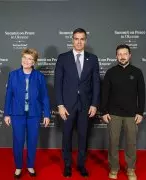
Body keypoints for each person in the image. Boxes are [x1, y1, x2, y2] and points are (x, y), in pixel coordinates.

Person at [54, 28, 100, 177]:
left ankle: (81, 164)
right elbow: (58, 83)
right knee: (66, 135)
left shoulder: (92, 59)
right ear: (72, 40)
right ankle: (67, 165)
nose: (79, 42)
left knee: (83, 136)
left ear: (85, 41)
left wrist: (94, 104)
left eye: (82, 39)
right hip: (67, 106)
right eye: (76, 38)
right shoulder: (63, 58)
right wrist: (60, 105)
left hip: (85, 105)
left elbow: (96, 83)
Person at [3, 48, 50, 179]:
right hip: (17, 114)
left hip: (34, 114)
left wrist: (46, 114)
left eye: (30, 59)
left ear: (34, 62)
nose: (26, 61)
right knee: (18, 141)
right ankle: (18, 167)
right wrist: (7, 113)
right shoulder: (13, 75)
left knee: (32, 141)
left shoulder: (39, 76)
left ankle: (30, 165)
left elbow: (44, 96)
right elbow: (9, 95)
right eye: (24, 58)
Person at [101, 44, 145, 180]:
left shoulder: (137, 72)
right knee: (113, 143)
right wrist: (104, 111)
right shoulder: (110, 72)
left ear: (129, 55)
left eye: (125, 54)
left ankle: (130, 169)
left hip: (132, 115)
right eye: (119, 54)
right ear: (116, 56)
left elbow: (141, 94)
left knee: (131, 143)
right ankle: (114, 168)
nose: (122, 57)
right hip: (113, 114)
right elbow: (105, 94)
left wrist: (140, 112)